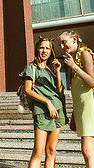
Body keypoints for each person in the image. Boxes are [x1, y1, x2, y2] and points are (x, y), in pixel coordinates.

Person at [57, 30, 94, 168]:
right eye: (60, 45)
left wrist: (74, 67)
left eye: (64, 42)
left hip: (90, 110)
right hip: (83, 111)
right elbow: (79, 92)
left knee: (87, 150)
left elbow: (92, 82)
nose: (62, 47)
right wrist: (75, 115)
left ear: (74, 39)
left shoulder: (85, 54)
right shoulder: (75, 58)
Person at [20, 37, 68, 168]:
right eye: (42, 47)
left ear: (51, 51)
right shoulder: (32, 67)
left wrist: (58, 72)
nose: (44, 51)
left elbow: (60, 91)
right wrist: (47, 102)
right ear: (37, 49)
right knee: (38, 152)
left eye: (47, 48)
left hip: (58, 110)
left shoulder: (52, 69)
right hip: (42, 111)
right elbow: (28, 90)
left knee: (51, 151)